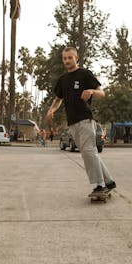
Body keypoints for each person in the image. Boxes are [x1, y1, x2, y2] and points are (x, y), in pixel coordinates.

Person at [46, 46, 116, 197]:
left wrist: (91, 91)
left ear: (76, 58)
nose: (67, 61)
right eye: (65, 58)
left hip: (85, 119)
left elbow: (102, 92)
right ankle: (109, 181)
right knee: (90, 152)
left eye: (70, 58)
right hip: (72, 123)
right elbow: (58, 100)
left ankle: (100, 185)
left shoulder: (84, 74)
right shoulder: (63, 80)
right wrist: (51, 110)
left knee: (89, 152)